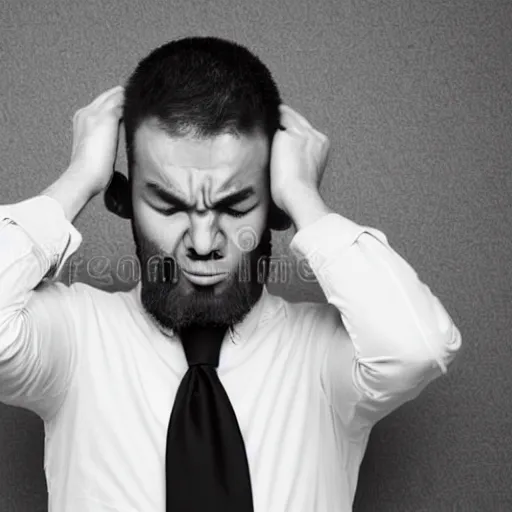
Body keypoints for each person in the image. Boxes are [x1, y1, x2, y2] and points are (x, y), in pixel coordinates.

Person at [0, 36, 461, 512]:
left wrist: (306, 199)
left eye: (236, 204)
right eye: (168, 204)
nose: (202, 243)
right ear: (122, 201)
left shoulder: (326, 359)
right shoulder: (73, 340)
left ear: (276, 210)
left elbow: (418, 348)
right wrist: (78, 179)